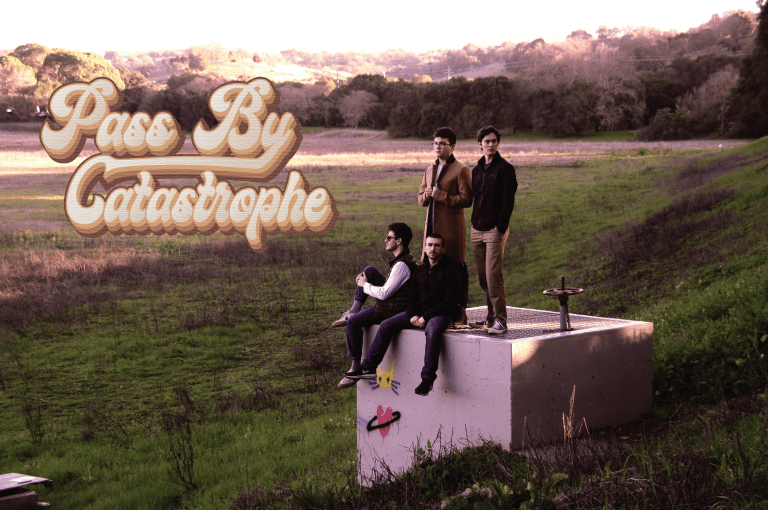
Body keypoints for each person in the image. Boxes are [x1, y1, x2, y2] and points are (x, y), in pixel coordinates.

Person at [346, 233, 459, 396]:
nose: (433, 249)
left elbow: (450, 302)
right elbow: (411, 298)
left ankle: (427, 380)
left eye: (437, 245)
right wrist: (413, 314)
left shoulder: (451, 271)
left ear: (443, 248)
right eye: (430, 245)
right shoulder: (420, 271)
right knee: (386, 324)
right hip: (419, 313)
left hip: (441, 314)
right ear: (425, 248)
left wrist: (426, 317)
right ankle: (369, 366)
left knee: (432, 331)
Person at [333, 223, 418, 389]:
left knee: (354, 322)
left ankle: (356, 368)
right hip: (392, 303)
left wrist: (364, 286)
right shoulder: (401, 260)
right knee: (369, 271)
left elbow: (384, 293)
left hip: (394, 310)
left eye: (389, 237)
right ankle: (352, 311)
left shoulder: (402, 265)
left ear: (399, 241)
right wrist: (366, 282)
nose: (385, 240)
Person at [418, 127, 472, 326]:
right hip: (431, 228)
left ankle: (460, 313)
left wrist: (442, 196)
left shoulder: (461, 169)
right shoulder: (429, 170)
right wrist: (426, 195)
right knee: (431, 268)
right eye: (435, 143)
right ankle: (434, 310)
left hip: (451, 229)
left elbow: (467, 200)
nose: (438, 147)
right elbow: (420, 197)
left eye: (442, 143)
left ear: (452, 147)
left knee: (455, 269)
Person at [469, 126, 518, 335]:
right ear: (479, 144)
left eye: (494, 141)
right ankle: (490, 319)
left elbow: (508, 201)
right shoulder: (477, 170)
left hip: (494, 230)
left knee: (492, 275)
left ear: (498, 143)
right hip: (476, 229)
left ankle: (501, 320)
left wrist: (500, 226)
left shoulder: (505, 169)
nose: (490, 145)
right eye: (486, 141)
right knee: (482, 277)